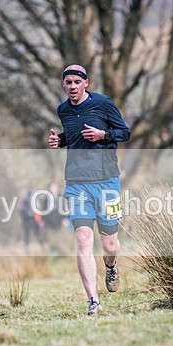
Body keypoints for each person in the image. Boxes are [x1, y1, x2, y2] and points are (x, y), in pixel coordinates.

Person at [48, 64, 130, 315]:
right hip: (76, 183)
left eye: (76, 82)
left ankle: (111, 267)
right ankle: (93, 300)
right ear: (64, 85)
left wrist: (104, 134)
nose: (72, 86)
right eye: (68, 82)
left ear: (86, 83)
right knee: (84, 240)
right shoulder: (63, 110)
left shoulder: (104, 103)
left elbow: (125, 133)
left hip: (108, 182)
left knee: (110, 245)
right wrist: (60, 140)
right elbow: (73, 136)